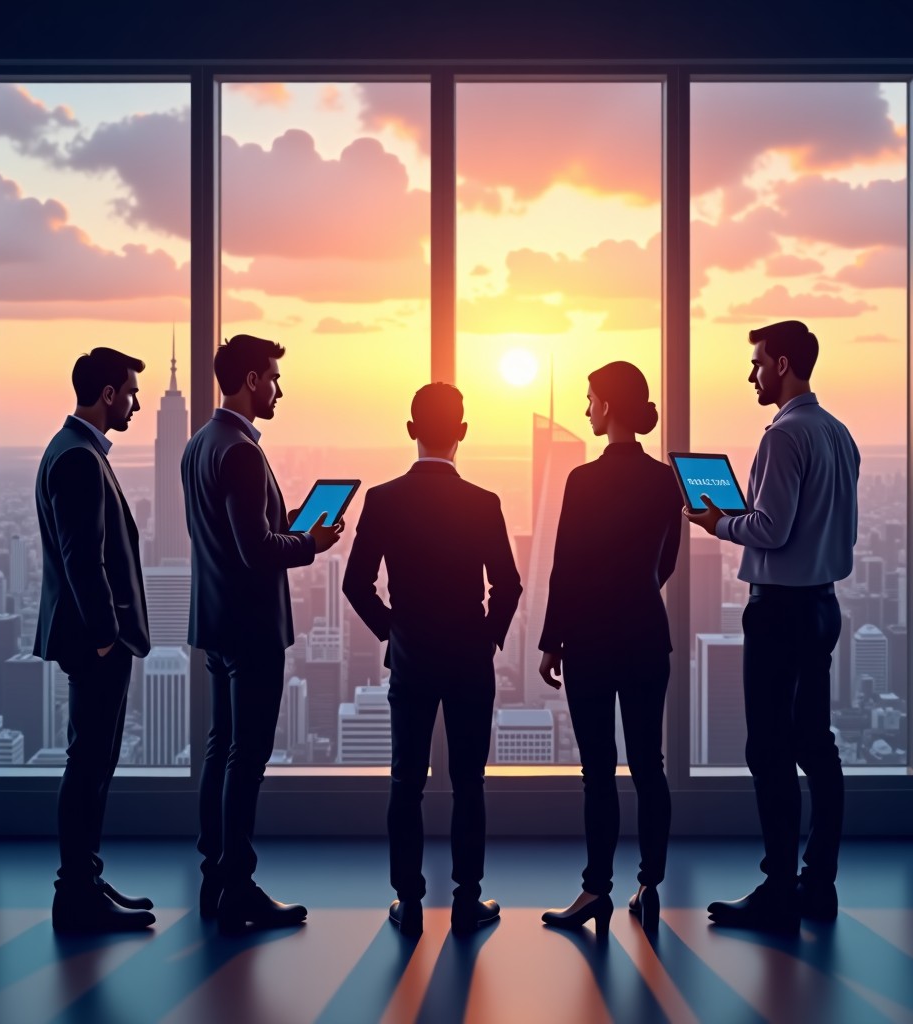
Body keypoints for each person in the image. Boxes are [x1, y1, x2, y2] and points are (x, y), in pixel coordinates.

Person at [686, 320, 859, 934]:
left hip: (780, 609)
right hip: (822, 606)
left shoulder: (784, 436)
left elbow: (771, 530)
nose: (751, 374)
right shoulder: (838, 433)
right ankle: (819, 885)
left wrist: (718, 525)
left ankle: (779, 889)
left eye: (758, 362)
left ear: (782, 363)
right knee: (817, 745)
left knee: (769, 749)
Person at [342, 383, 522, 937]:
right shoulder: (484, 502)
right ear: (463, 432)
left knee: (406, 781)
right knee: (470, 782)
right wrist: (487, 638)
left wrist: (393, 635)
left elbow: (356, 584)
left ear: (411, 429)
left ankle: (409, 903)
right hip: (470, 659)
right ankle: (467, 903)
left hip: (413, 658)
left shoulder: (383, 499)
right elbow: (509, 586)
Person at [181, 334, 343, 935]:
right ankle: (239, 889)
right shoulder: (242, 452)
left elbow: (222, 539)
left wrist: (288, 525)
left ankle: (214, 879)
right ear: (251, 380)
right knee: (246, 759)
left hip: (216, 621)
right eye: (273, 377)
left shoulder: (200, 444)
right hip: (251, 627)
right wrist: (311, 543)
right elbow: (254, 550)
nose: (279, 389)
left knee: (220, 750)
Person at [538, 362, 682, 937]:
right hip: (647, 632)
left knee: (597, 771)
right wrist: (637, 591)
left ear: (609, 406)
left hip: (591, 640)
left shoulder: (582, 480)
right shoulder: (665, 480)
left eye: (591, 398)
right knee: (651, 766)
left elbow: (564, 567)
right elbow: (666, 561)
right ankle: (651, 885)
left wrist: (552, 641)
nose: (587, 409)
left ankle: (596, 890)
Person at [33, 347, 155, 934]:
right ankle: (75, 893)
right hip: (94, 642)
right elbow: (85, 560)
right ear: (108, 394)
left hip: (90, 638)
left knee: (95, 761)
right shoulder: (78, 458)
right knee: (88, 764)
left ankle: (85, 878)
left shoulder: (74, 450)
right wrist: (107, 638)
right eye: (131, 392)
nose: (135, 403)